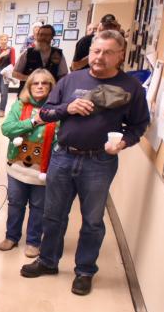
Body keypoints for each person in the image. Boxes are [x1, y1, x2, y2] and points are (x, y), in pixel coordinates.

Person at [21, 30, 150, 295]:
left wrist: (123, 142)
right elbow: (46, 112)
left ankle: (85, 271)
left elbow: (139, 125)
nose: (100, 57)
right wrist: (67, 108)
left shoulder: (131, 87)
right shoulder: (70, 80)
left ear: (120, 55)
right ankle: (48, 261)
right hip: (63, 156)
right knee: (53, 215)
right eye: (96, 51)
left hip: (99, 162)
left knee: (92, 221)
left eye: (108, 52)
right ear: (89, 52)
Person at [0, 69, 58, 258]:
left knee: (38, 207)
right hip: (17, 168)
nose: (40, 86)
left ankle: (33, 242)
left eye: (44, 83)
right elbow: (7, 129)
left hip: (42, 171)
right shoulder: (20, 106)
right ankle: (11, 237)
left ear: (51, 87)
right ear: (29, 86)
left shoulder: (58, 109)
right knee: (15, 203)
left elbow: (60, 138)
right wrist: (33, 122)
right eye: (35, 83)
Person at [0, 34, 16, 117]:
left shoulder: (11, 50)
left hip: (5, 72)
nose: (3, 41)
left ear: (7, 40)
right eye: (2, 39)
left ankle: (2, 110)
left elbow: (13, 63)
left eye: (5, 39)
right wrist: (1, 56)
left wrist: (7, 70)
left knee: (4, 93)